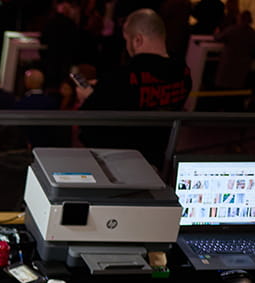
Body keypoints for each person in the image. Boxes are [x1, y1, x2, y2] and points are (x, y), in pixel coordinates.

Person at [76, 8, 191, 170]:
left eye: (127, 40)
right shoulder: (183, 72)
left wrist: (89, 97)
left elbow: (89, 124)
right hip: (160, 158)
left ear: (137, 40)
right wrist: (103, 87)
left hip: (121, 164)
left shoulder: (122, 76)